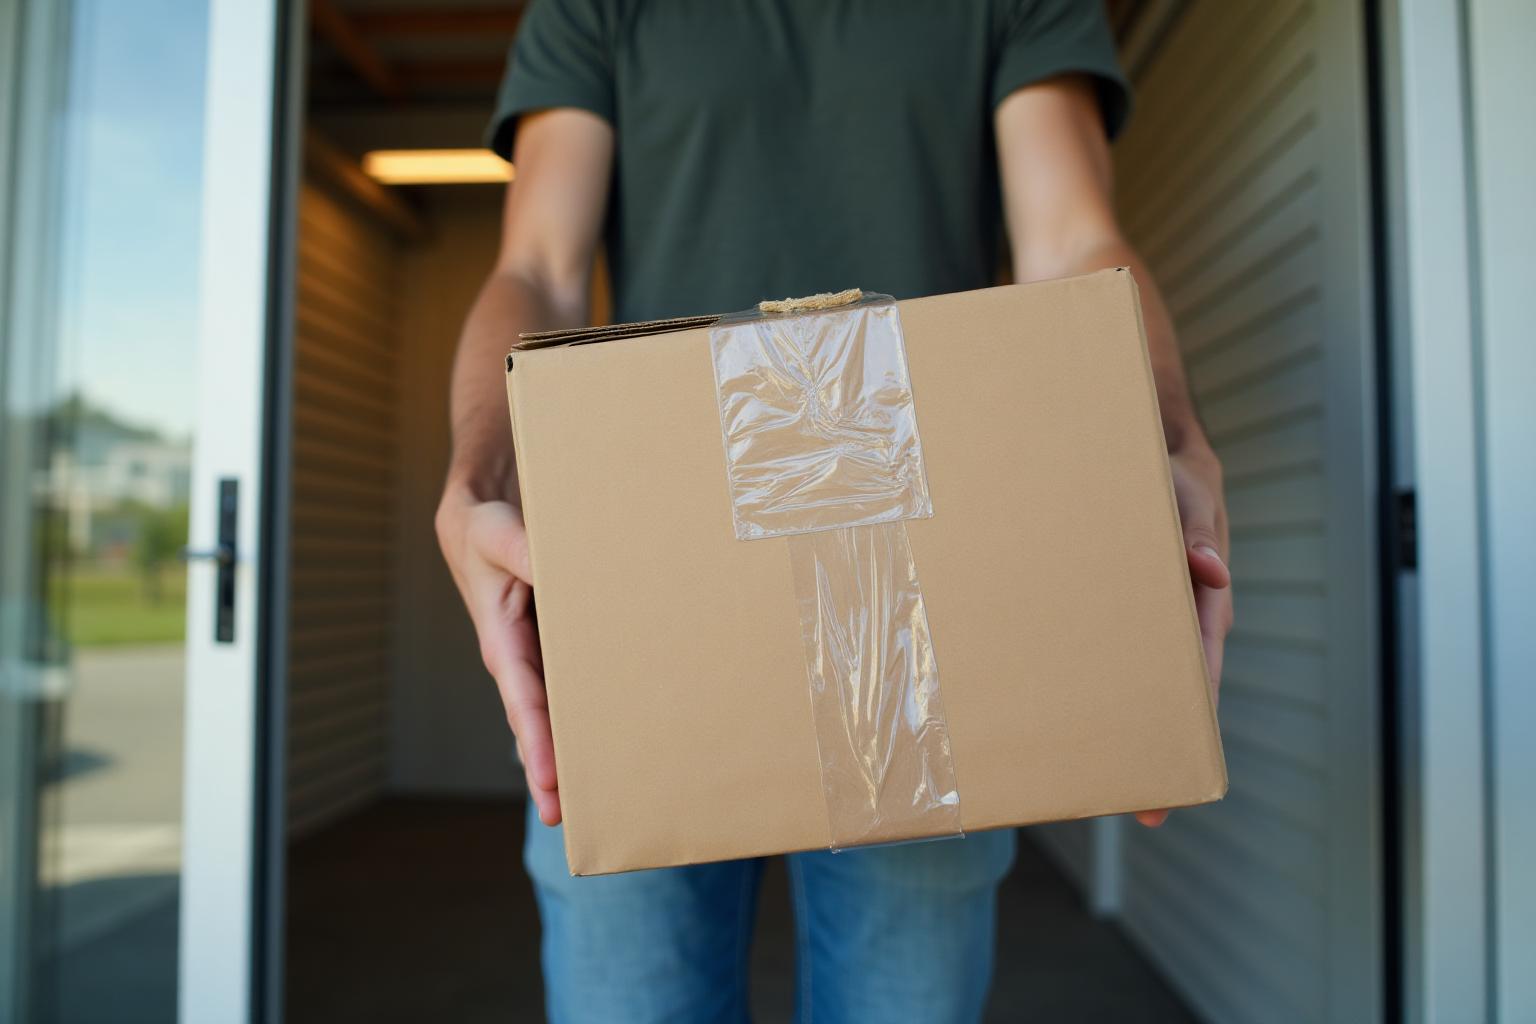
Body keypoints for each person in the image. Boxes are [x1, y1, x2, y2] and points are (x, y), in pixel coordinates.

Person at [435, 2, 1232, 1021]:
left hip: (911, 603)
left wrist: (1164, 438)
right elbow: (537, 268)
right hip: (651, 573)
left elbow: (1073, 240)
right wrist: (473, 477)